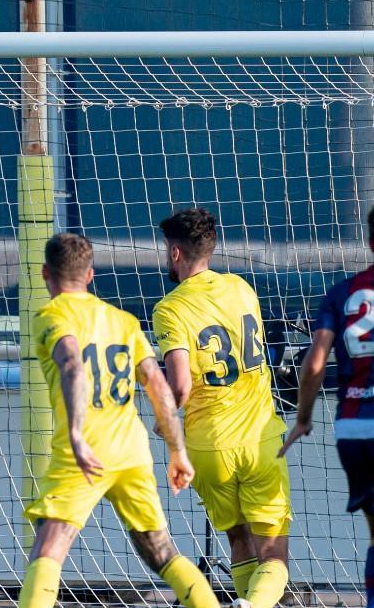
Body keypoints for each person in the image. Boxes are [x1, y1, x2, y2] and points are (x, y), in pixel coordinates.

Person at [19, 233, 217, 608]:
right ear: (91, 275)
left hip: (84, 452)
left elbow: (73, 366)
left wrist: (76, 435)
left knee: (49, 546)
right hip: (131, 451)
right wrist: (178, 452)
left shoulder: (51, 315)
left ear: (45, 272)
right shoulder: (123, 321)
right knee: (161, 551)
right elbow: (158, 385)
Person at [153, 208, 291, 608]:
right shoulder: (242, 289)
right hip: (260, 439)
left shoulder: (170, 309)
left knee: (238, 538)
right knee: (274, 553)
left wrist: (164, 424)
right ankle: (252, 604)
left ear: (175, 254)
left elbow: (178, 386)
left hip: (208, 446)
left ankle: (245, 600)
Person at [279, 205, 374, 607]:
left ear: (369, 242)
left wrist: (303, 419)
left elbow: (315, 363)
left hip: (354, 429)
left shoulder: (341, 293)